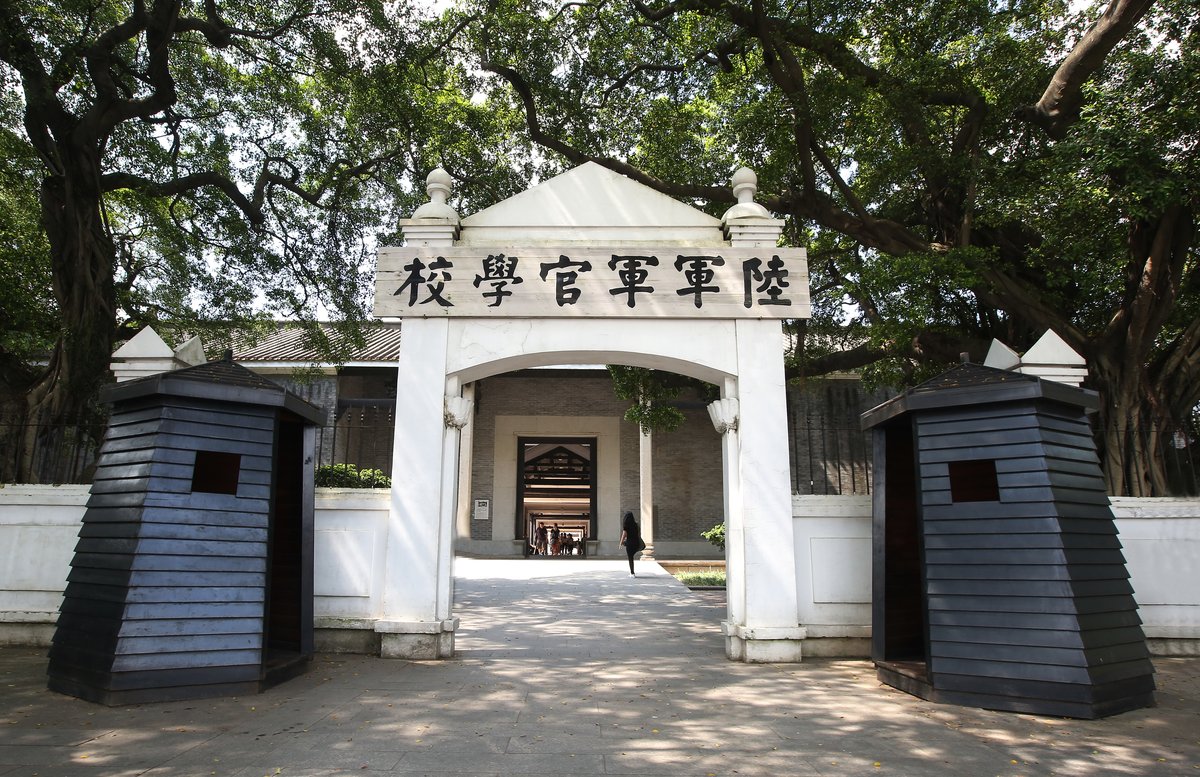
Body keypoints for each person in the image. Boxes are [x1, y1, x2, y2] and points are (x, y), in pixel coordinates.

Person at [619, 511, 644, 577]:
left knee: (630, 558)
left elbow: (623, 535)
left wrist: (620, 543)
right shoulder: (636, 524)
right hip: (636, 543)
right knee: (632, 554)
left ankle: (632, 573)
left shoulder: (626, 525)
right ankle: (632, 573)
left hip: (629, 544)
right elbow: (639, 533)